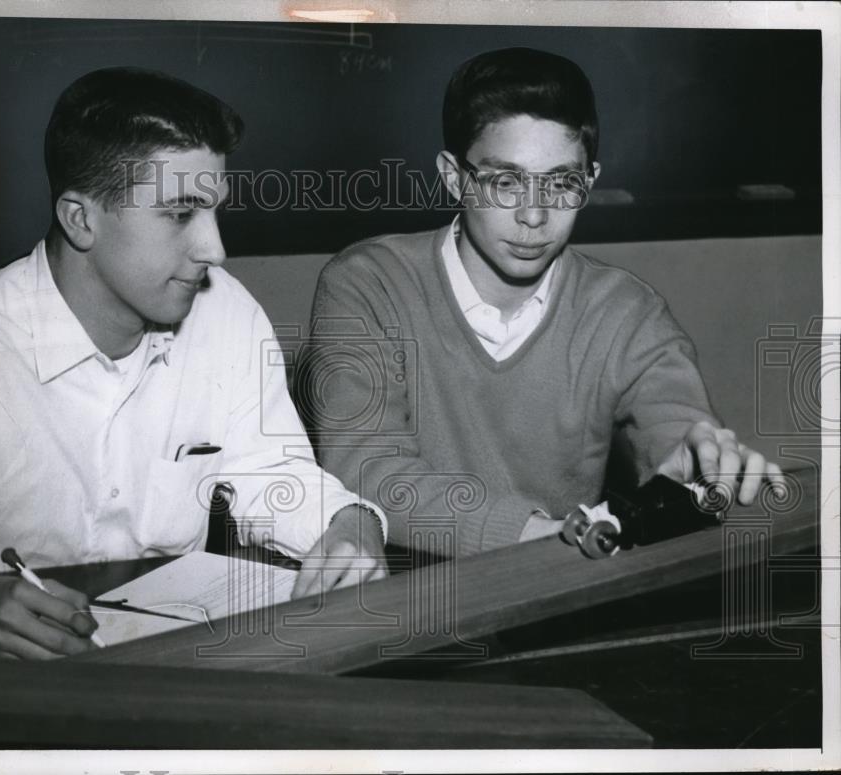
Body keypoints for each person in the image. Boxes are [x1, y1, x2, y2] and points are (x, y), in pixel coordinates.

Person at [0, 67, 387, 659]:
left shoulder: (227, 315)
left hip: (163, 669)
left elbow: (271, 471)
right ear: (81, 219)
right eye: (179, 215)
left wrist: (347, 521)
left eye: (214, 211)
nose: (214, 249)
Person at [299, 47, 782, 555]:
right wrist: (541, 536)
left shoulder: (627, 312)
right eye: (505, 182)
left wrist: (696, 471)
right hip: (411, 606)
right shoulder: (369, 283)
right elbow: (367, 469)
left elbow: (679, 430)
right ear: (453, 176)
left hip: (559, 602)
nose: (535, 215)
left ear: (590, 181)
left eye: (562, 183)